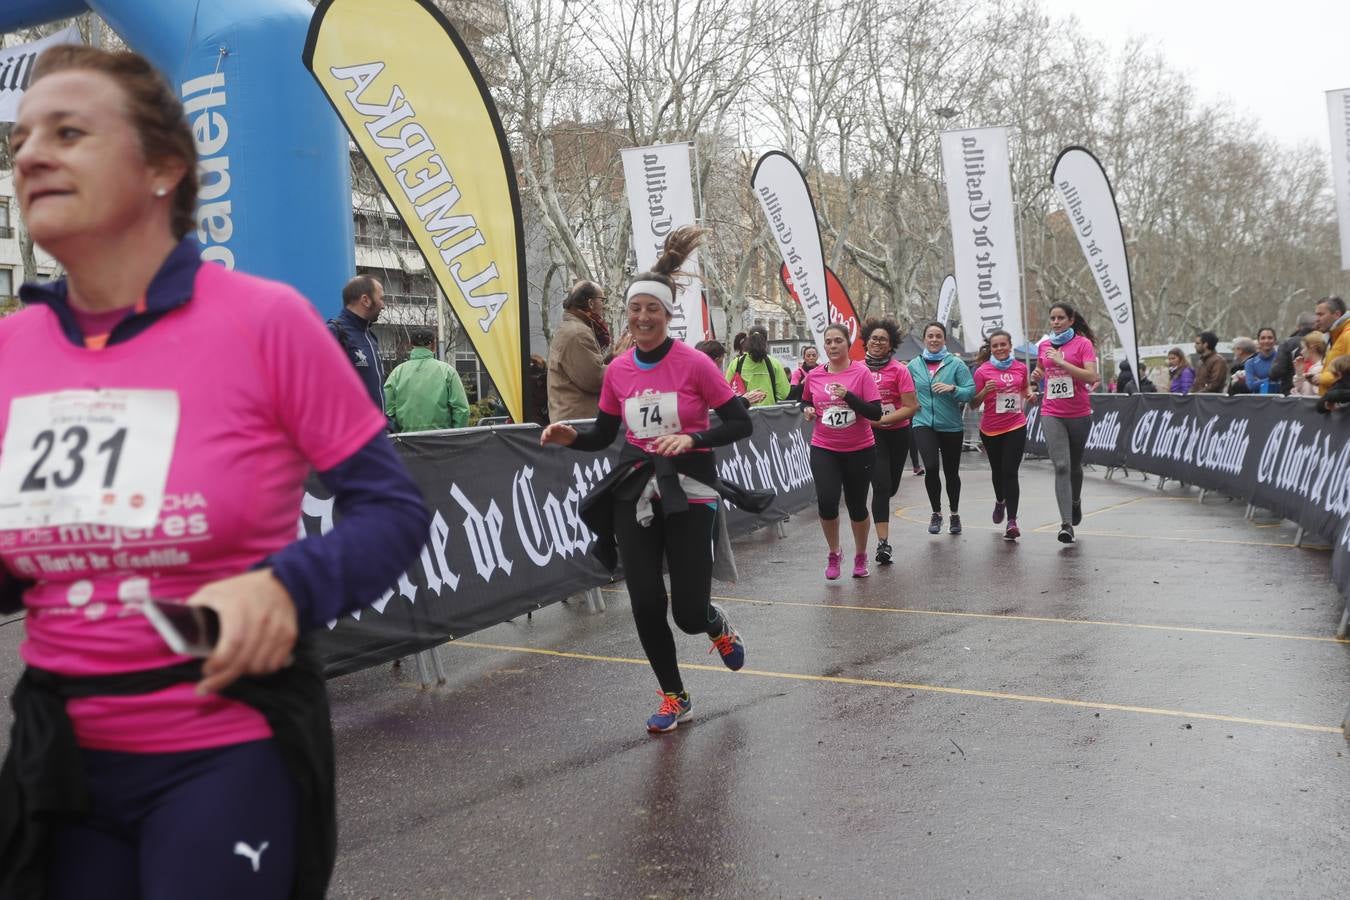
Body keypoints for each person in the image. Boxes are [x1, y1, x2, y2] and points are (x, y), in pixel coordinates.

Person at [0, 45, 430, 899]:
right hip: (59, 755)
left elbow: (391, 509)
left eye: (70, 131)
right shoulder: (13, 350)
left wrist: (284, 589)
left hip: (226, 746)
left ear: (164, 167)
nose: (30, 154)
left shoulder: (265, 323)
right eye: (20, 139)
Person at [539, 226, 756, 734]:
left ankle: (713, 622)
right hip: (635, 487)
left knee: (685, 611)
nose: (641, 317)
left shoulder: (696, 364)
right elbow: (608, 435)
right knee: (643, 602)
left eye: (651, 309)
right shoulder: (617, 371)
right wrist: (573, 436)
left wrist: (694, 441)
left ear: (666, 314)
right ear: (627, 315)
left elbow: (740, 422)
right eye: (634, 309)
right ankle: (674, 695)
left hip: (690, 488)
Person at [801, 323, 885, 578]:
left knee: (857, 505)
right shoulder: (814, 375)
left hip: (859, 449)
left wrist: (848, 396)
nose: (833, 345)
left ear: (848, 344)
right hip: (824, 447)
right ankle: (834, 552)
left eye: (838, 341)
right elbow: (805, 399)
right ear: (824, 346)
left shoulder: (861, 374)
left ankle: (861, 555)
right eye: (828, 342)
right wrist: (806, 409)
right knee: (827, 502)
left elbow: (875, 412)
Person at [1032, 302, 1100, 543]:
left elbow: (1091, 376)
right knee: (1061, 465)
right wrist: (1037, 375)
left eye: (1061, 318)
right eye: (1052, 318)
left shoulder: (1083, 344)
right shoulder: (1044, 345)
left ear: (1071, 320)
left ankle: (1075, 501)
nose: (1056, 322)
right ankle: (1066, 525)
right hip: (1052, 411)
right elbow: (1041, 369)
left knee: (1074, 466)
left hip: (1079, 412)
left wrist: (1062, 363)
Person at [907, 321, 974, 535]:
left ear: (944, 339)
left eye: (938, 336)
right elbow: (902, 390)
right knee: (932, 467)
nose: (934, 339)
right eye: (930, 336)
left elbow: (970, 391)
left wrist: (953, 388)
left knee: (951, 472)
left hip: (951, 426)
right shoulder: (913, 366)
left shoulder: (956, 364)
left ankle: (954, 514)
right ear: (924, 339)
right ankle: (936, 513)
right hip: (923, 422)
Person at [861, 319, 918, 564]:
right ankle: (883, 544)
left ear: (890, 344)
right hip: (872, 435)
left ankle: (887, 495)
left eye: (883, 339)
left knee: (891, 486)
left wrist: (885, 419)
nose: (877, 342)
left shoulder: (899, 370)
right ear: (867, 340)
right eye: (874, 338)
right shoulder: (858, 369)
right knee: (881, 486)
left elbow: (912, 407)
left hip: (897, 432)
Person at [971, 330, 1034, 540]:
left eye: (1002, 344)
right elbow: (973, 404)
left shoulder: (1021, 367)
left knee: (1010, 471)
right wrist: (984, 392)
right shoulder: (982, 371)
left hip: (1016, 425)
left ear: (1009, 345)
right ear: (991, 348)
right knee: (997, 471)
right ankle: (1000, 501)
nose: (999, 348)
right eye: (995, 345)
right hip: (990, 429)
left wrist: (1030, 395)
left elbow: (1024, 388)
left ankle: (1012, 521)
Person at [383, 329, 470, 432]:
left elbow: (388, 410)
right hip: (442, 439)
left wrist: (397, 435)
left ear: (411, 344)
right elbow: (462, 410)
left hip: (406, 441)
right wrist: (455, 435)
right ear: (433, 345)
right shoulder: (447, 371)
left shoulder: (396, 373)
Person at [547, 279, 609, 422]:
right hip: (578, 424)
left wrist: (613, 356)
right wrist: (622, 362)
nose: (604, 306)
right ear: (591, 303)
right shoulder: (577, 333)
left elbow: (589, 367)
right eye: (602, 300)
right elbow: (594, 379)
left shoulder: (574, 328)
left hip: (574, 421)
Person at [330, 274, 388, 413]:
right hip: (352, 433)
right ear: (366, 300)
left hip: (377, 431)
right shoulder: (335, 333)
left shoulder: (370, 336)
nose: (383, 306)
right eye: (381, 299)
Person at [726, 324, 789, 406]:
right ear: (766, 341)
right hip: (769, 414)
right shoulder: (775, 363)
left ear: (748, 340)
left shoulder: (736, 363)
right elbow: (783, 393)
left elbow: (727, 390)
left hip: (744, 414)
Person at [1269, 312, 1316, 395]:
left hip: (1291, 392)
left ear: (1297, 327)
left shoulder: (1288, 343)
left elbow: (1277, 371)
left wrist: (1270, 374)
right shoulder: (1323, 340)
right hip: (1316, 391)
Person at [1315, 296, 1349, 395]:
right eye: (1316, 315)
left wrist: (1321, 378)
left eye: (1320, 314)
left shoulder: (1348, 335)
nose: (1317, 319)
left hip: (1342, 406)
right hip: (1332, 403)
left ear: (1337, 314)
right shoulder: (1333, 336)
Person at [1241, 328, 1278, 394]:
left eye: (1270, 338)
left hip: (1280, 401)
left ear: (1275, 340)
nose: (1266, 341)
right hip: (1258, 402)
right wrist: (1273, 379)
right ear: (1258, 341)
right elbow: (1251, 386)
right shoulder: (1250, 363)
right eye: (1263, 338)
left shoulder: (1283, 360)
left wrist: (1259, 381)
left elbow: (1285, 383)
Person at [1292, 331, 1326, 397]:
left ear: (1312, 348)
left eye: (1303, 348)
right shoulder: (1316, 367)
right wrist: (1299, 372)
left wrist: (1296, 395)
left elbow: (1315, 398)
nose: (1301, 352)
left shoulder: (1317, 369)